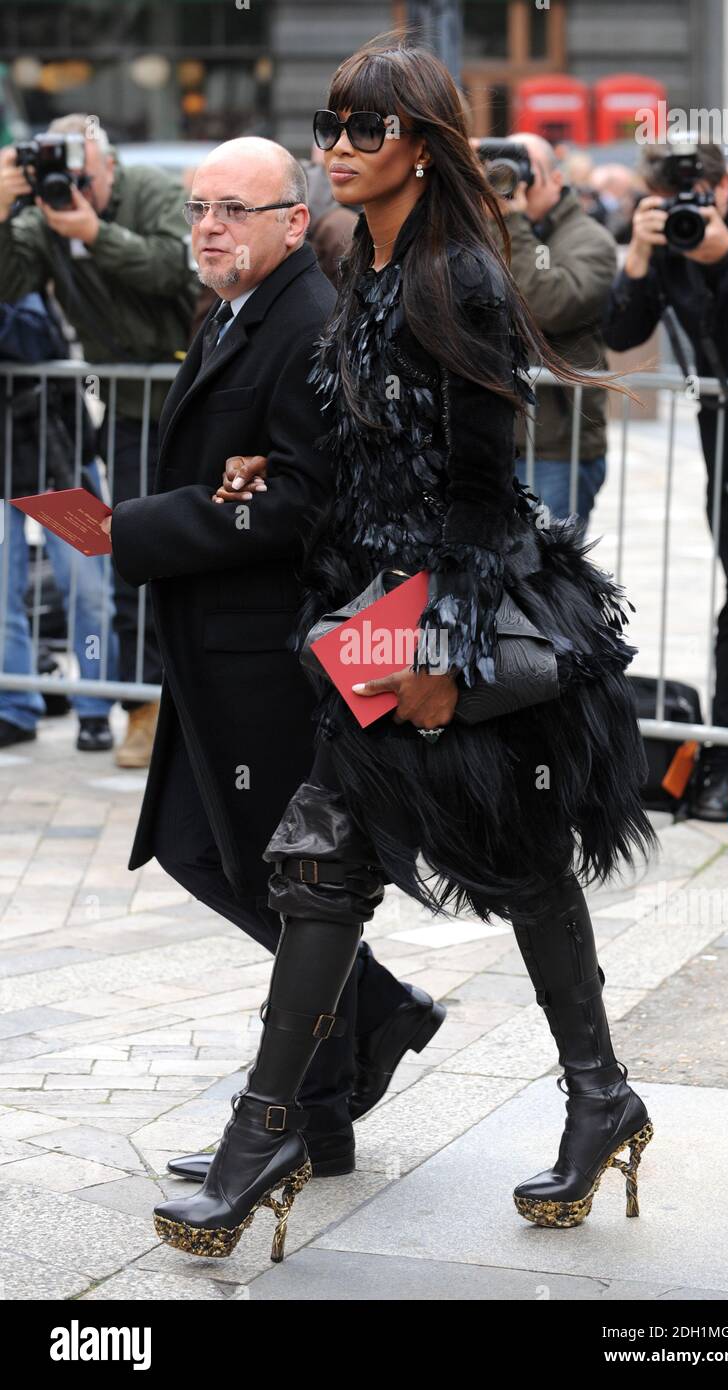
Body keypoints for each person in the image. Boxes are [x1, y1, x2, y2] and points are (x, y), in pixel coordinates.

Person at [152, 40, 658, 1265]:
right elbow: (376, 443)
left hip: (440, 615)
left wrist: (439, 640)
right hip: (374, 611)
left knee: (503, 865)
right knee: (339, 865)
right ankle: (289, 1128)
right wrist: (271, 465)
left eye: (361, 131)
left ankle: (579, 1098)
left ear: (420, 149)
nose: (334, 149)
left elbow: (490, 491)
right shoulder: (365, 264)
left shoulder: (460, 277)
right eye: (328, 127)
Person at [104, 137, 440, 1192]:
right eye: (199, 207)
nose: (208, 226)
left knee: (261, 870)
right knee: (226, 859)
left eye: (235, 209)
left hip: (268, 654)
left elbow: (300, 500)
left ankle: (324, 1090)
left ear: (293, 222)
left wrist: (144, 528)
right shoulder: (241, 306)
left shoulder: (300, 321)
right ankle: (351, 1063)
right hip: (221, 645)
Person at [0, 114, 200, 768]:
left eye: (82, 176)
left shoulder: (147, 190)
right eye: (59, 177)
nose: (71, 190)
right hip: (121, 412)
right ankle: (139, 705)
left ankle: (187, 699)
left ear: (108, 167)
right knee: (133, 555)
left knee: (196, 550)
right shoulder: (41, 216)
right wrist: (3, 212)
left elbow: (173, 268)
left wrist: (95, 234)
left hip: (195, 393)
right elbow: (8, 285)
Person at [602, 141, 728, 820]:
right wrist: (641, 256)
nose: (689, 208)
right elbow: (621, 333)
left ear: (722, 183)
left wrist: (726, 257)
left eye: (698, 193)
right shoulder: (661, 236)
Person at [0, 291, 120, 751]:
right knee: (2, 596)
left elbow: (35, 339)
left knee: (87, 590)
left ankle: (95, 706)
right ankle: (14, 706)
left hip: (57, 452)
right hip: (13, 455)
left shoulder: (23, 261)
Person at [489, 134, 618, 534]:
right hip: (497, 439)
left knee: (548, 577)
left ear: (556, 178)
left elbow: (545, 306)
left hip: (557, 447)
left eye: (523, 169)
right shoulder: (490, 230)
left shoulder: (589, 240)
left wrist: (512, 222)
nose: (512, 180)